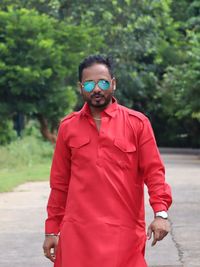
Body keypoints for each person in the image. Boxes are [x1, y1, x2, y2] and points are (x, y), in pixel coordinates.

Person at [43, 55, 172, 267]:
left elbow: (154, 173)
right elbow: (59, 185)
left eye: (103, 82)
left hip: (124, 234)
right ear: (80, 87)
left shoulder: (137, 123)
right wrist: (51, 230)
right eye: (89, 83)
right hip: (78, 236)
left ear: (113, 83)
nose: (96, 89)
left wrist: (161, 214)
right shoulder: (68, 127)